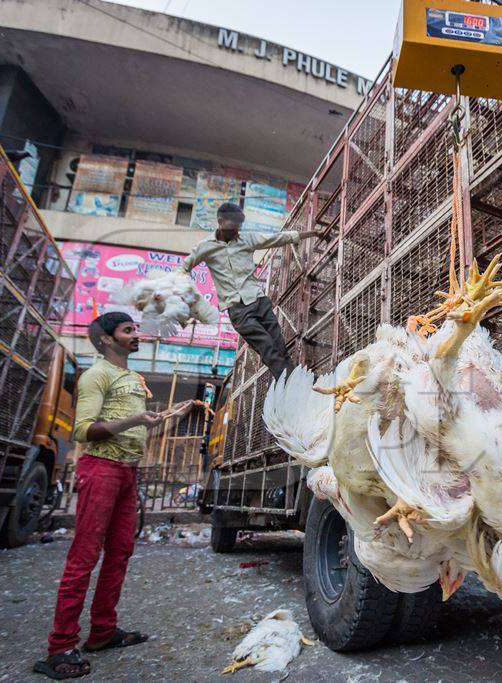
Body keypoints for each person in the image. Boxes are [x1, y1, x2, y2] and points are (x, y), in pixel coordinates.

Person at [34, 312, 162, 680]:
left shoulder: (130, 378)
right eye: (127, 330)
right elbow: (84, 430)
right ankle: (59, 647)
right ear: (106, 340)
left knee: (120, 551)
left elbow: (127, 421)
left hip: (126, 471)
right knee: (84, 556)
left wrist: (152, 418)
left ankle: (103, 632)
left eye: (134, 328)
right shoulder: (96, 375)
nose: (135, 334)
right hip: (101, 469)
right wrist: (136, 422)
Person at [181, 202, 325, 379]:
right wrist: (186, 294)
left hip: (259, 301)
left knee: (279, 346)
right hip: (238, 310)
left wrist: (311, 233)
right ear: (220, 221)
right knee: (267, 347)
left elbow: (278, 238)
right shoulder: (205, 247)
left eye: (239, 227)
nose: (236, 231)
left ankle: (295, 382)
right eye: (233, 227)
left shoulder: (246, 239)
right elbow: (183, 268)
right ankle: (293, 383)